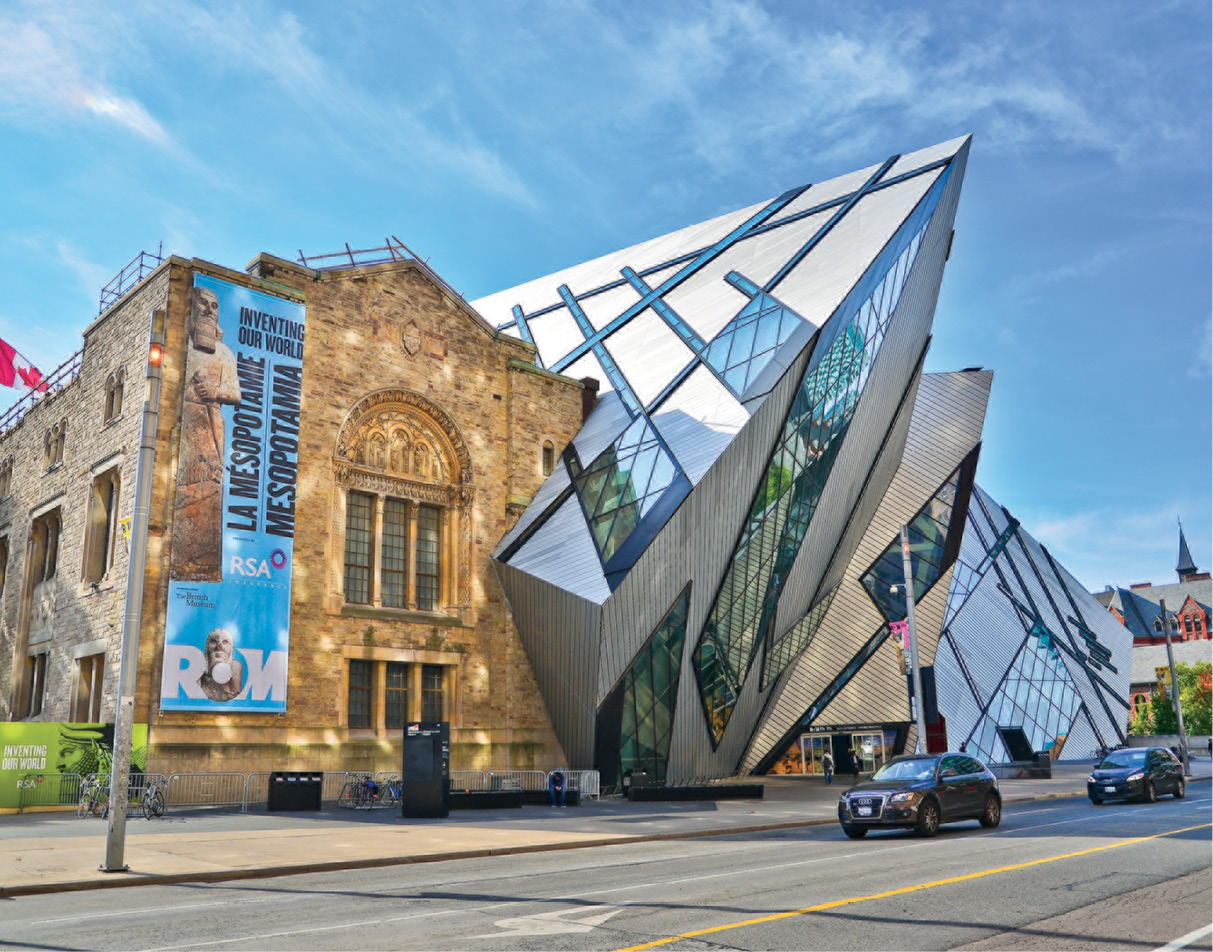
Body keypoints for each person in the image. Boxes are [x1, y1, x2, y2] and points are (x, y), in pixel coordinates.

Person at [170, 286, 241, 582]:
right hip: (186, 422)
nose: (209, 311)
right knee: (184, 488)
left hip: (210, 422)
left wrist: (216, 391)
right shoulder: (180, 347)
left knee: (211, 487)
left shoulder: (224, 353)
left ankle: (204, 563)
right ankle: (182, 561)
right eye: (203, 304)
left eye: (214, 306)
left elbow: (235, 393)